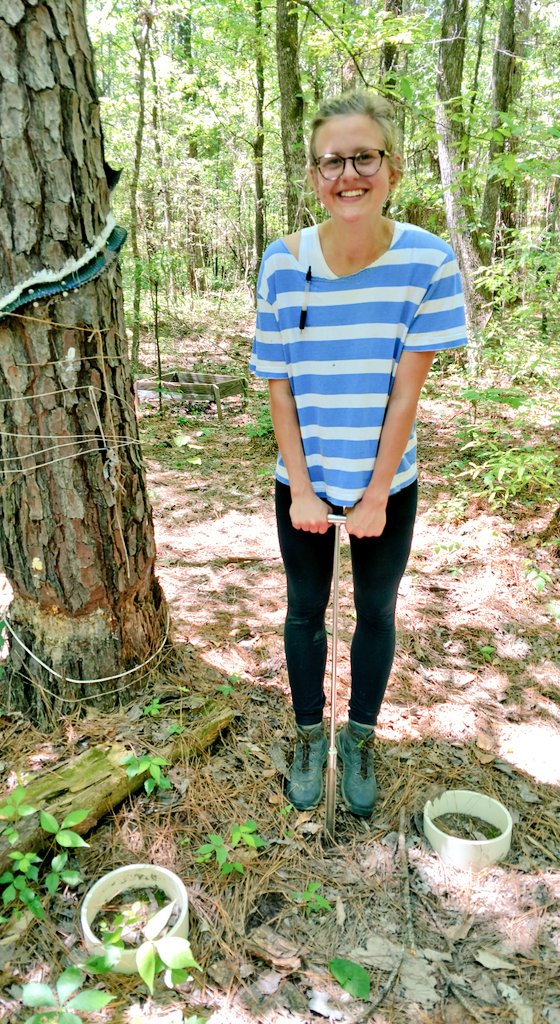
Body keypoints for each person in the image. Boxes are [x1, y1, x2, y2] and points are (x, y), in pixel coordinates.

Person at [249, 90, 467, 818]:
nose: (349, 174)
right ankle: (310, 735)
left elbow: (405, 394)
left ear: (392, 168)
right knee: (305, 609)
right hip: (303, 480)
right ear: (313, 175)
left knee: (376, 609)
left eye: (363, 157)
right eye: (331, 161)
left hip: (387, 483)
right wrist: (305, 491)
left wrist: (375, 495)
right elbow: (278, 389)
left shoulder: (428, 263)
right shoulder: (281, 264)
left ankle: (360, 737)